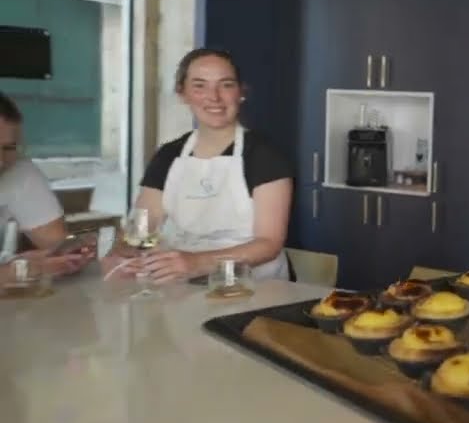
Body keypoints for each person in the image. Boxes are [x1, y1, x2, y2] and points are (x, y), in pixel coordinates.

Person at [102, 48, 293, 283]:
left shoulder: (265, 156)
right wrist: (119, 252)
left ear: (240, 93)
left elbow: (269, 244)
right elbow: (141, 227)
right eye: (199, 85)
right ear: (183, 94)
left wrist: (196, 263)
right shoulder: (168, 155)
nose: (214, 97)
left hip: (255, 286)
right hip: (183, 283)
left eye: (226, 85)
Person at [0, 92, 94, 278]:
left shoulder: (19, 172)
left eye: (8, 148)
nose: (0, 161)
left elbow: (58, 248)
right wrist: (18, 270)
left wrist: (75, 251)